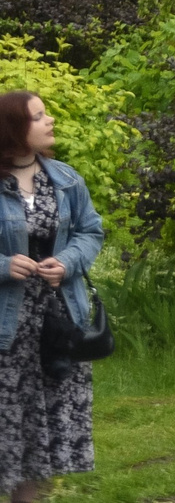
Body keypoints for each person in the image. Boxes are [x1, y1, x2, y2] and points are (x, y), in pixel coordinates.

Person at [0, 92, 101, 503]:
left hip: (54, 329)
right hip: (6, 335)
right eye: (38, 116)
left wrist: (67, 262)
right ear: (13, 130)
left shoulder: (65, 178)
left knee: (38, 441)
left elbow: (90, 232)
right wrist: (3, 266)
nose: (50, 120)